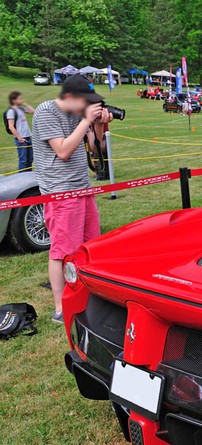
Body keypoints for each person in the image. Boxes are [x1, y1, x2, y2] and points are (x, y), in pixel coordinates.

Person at [31, 75, 112, 323]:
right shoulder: (46, 112)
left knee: (90, 246)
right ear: (70, 97)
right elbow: (64, 151)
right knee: (62, 251)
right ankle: (60, 307)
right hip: (60, 191)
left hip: (82, 187)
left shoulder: (79, 114)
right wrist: (86, 120)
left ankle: (88, 295)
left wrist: (98, 126)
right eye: (86, 101)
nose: (88, 106)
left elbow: (97, 147)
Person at [6, 92, 35, 171]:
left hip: (28, 136)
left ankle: (28, 176)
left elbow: (33, 111)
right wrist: (19, 138)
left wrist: (25, 104)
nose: (22, 100)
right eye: (20, 99)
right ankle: (21, 179)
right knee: (23, 161)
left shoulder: (21, 109)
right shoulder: (11, 111)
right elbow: (11, 126)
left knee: (30, 159)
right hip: (21, 139)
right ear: (13, 100)